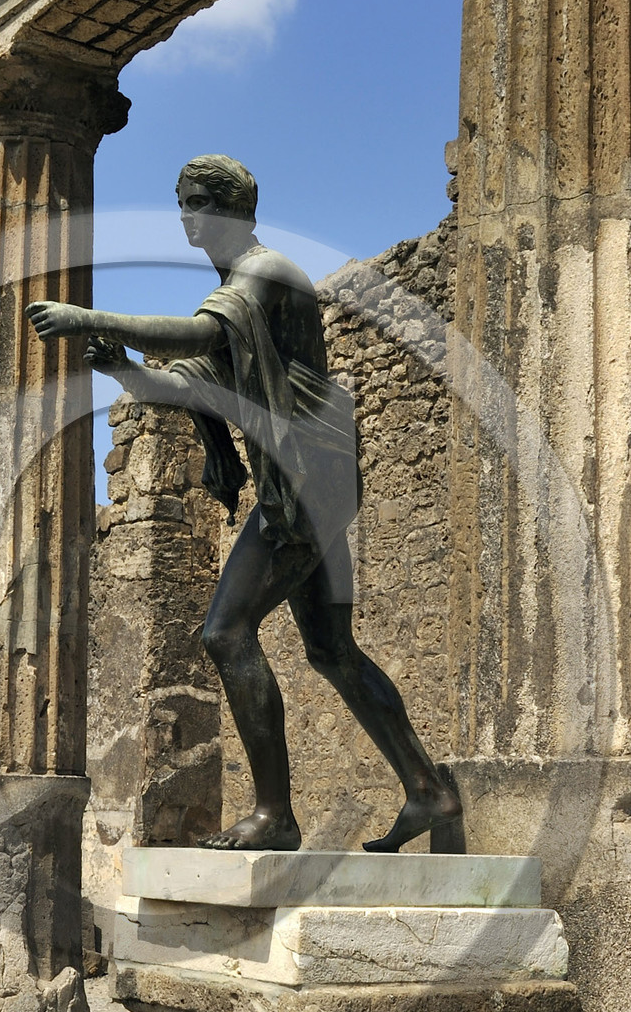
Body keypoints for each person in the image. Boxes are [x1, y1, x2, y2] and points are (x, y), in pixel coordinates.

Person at [27, 153, 462, 854]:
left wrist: (88, 316)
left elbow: (200, 338)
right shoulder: (237, 289)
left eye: (197, 200)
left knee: (225, 631)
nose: (185, 215)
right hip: (309, 478)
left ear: (233, 207)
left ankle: (274, 814)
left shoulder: (264, 274)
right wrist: (119, 366)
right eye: (181, 200)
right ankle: (428, 788)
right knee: (331, 649)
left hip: (308, 479)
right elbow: (184, 385)